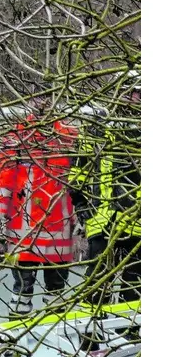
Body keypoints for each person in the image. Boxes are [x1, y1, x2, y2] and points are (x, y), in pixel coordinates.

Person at [0, 93, 81, 316]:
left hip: (58, 226)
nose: (41, 103)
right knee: (22, 288)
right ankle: (18, 331)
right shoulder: (16, 136)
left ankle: (55, 333)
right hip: (24, 228)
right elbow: (3, 181)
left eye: (47, 98)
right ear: (28, 101)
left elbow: (79, 182)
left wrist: (81, 216)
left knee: (56, 290)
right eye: (36, 98)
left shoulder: (69, 136)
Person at [71, 69, 140, 306]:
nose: (134, 97)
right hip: (101, 217)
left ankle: (131, 326)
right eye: (130, 92)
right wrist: (80, 204)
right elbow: (78, 170)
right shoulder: (96, 127)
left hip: (137, 220)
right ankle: (92, 326)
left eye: (138, 93)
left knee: (134, 285)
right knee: (97, 282)